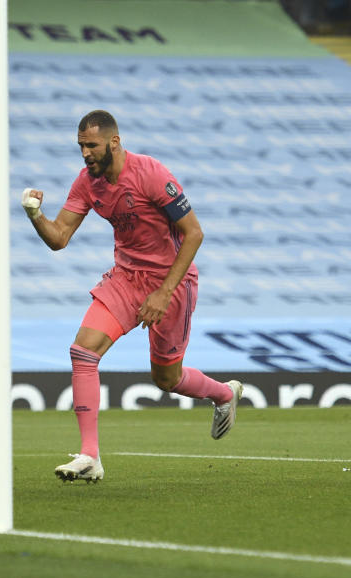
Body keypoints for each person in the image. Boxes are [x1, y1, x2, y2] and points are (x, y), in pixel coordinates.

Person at [21, 109, 243, 483]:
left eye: (91, 145)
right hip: (126, 278)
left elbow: (194, 234)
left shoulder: (150, 173)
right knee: (83, 350)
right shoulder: (87, 182)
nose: (85, 153)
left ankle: (223, 394)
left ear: (114, 141)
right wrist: (35, 214)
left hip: (171, 281)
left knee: (167, 379)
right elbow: (59, 237)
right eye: (80, 146)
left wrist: (163, 292)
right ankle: (90, 455)